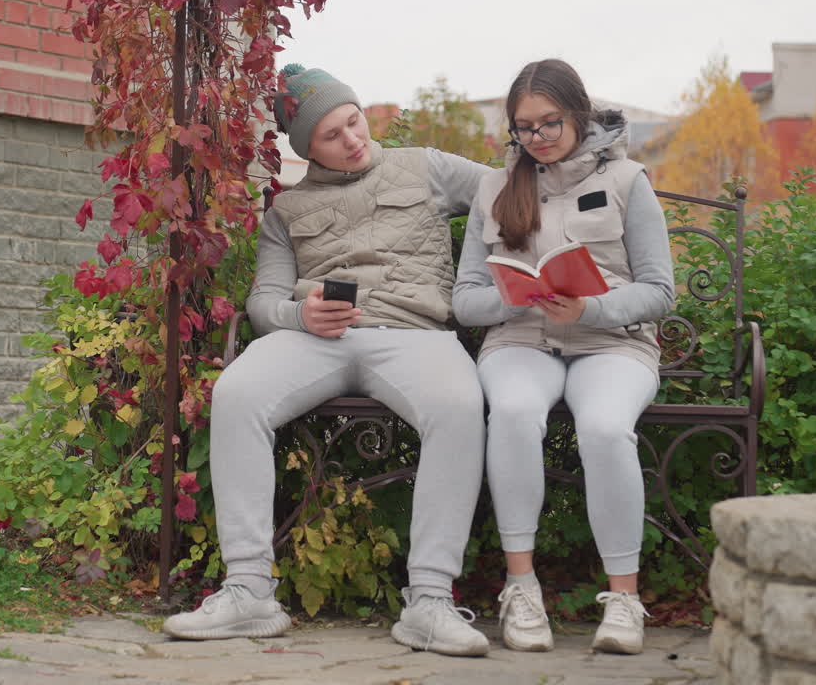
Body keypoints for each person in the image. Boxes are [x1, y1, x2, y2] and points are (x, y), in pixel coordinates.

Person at [163, 64, 492, 657]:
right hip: (317, 337)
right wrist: (299, 316)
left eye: (354, 121)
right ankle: (249, 590)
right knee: (237, 392)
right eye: (332, 136)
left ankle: (430, 601)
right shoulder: (287, 211)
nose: (353, 139)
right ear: (307, 149)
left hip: (415, 333)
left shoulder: (426, 167)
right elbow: (263, 302)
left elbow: (512, 192)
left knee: (460, 404)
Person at [452, 59, 675, 655]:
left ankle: (624, 600)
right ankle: (521, 587)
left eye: (549, 123)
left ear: (578, 114)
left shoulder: (628, 180)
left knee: (604, 429)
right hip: (521, 340)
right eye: (524, 127)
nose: (538, 138)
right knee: (516, 413)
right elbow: (466, 299)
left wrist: (589, 310)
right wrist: (513, 298)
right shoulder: (496, 188)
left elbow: (659, 291)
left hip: (611, 343)